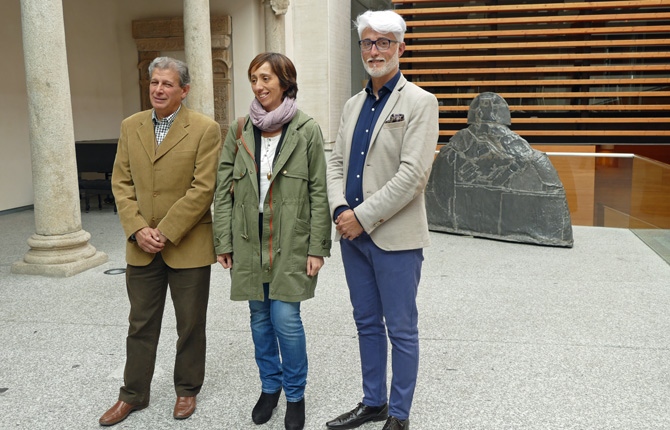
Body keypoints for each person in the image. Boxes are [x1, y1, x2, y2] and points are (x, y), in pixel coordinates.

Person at [325, 10, 439, 430]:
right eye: (367, 42)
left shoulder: (420, 102)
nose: (374, 50)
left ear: (400, 48)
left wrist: (361, 217)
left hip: (395, 238)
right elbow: (335, 163)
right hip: (352, 237)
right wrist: (340, 211)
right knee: (366, 323)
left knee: (401, 330)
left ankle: (399, 414)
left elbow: (413, 176)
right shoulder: (352, 105)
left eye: (384, 42)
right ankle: (373, 402)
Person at [99, 57, 221, 426]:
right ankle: (133, 394)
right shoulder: (130, 126)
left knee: (190, 324)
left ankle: (187, 389)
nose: (158, 89)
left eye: (167, 84)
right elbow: (121, 183)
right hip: (141, 246)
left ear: (184, 90)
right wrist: (138, 229)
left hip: (188, 245)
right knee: (140, 324)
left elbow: (203, 189)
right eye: (154, 82)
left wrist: (165, 231)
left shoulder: (205, 129)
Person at [212, 52, 331, 430]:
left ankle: (295, 394)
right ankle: (270, 387)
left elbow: (319, 191)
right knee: (260, 319)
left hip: (290, 238)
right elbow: (222, 189)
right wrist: (223, 241)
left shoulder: (306, 129)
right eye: (253, 79)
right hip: (249, 239)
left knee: (286, 319)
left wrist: (317, 248)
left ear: (284, 81)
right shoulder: (239, 129)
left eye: (266, 78)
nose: (258, 86)